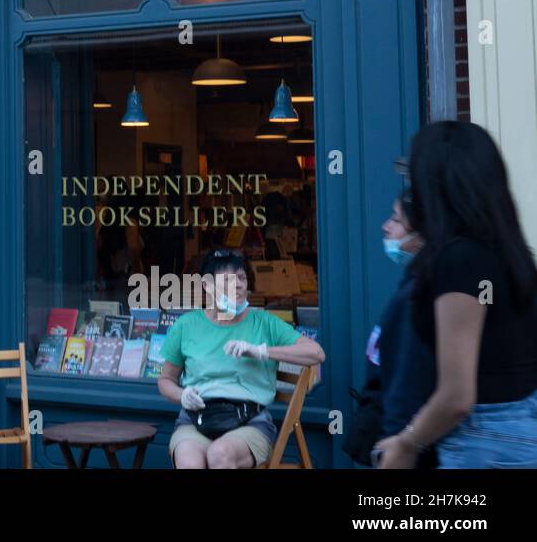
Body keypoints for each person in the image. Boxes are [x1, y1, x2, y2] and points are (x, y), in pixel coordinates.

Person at [374, 121, 537, 469]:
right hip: (517, 430)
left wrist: (406, 443)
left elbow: (457, 395)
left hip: (483, 442)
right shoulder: (503, 255)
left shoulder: (460, 261)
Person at [158, 248, 325, 468]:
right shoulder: (186, 325)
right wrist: (182, 395)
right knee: (190, 463)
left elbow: (316, 353)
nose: (238, 285)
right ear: (207, 286)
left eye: (242, 278)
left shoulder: (264, 322)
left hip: (249, 423)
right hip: (196, 419)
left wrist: (262, 351)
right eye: (228, 280)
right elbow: (165, 380)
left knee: (220, 454)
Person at [359, 195, 437, 467]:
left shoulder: (420, 294)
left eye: (396, 219)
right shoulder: (411, 285)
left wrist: (402, 441)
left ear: (421, 231)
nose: (385, 226)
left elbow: (411, 377)